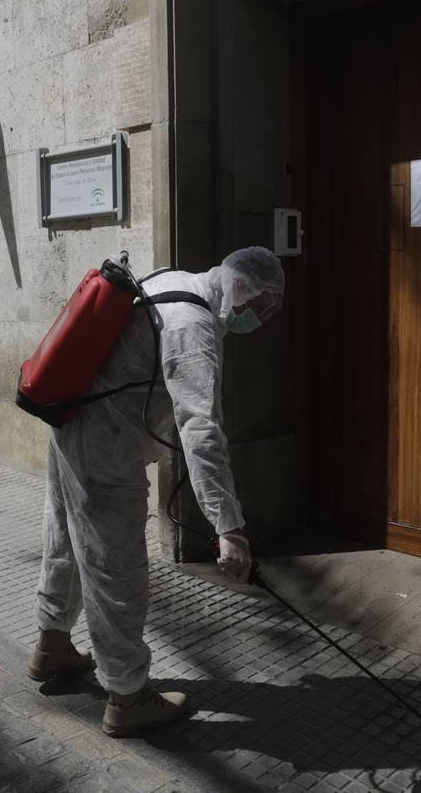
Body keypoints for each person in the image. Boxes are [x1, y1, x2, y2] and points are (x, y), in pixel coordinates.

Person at [30, 246, 285, 737]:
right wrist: (229, 527)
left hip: (71, 423)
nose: (259, 319)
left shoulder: (177, 278)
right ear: (241, 289)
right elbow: (201, 430)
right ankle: (127, 697)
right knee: (116, 568)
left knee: (63, 540)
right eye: (260, 306)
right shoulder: (193, 326)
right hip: (106, 448)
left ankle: (52, 647)